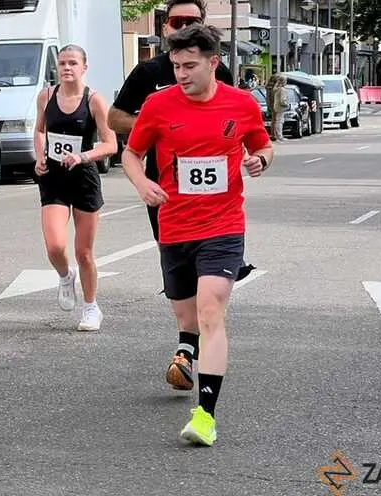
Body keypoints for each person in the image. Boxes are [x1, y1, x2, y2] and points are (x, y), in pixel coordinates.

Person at [121, 23, 273, 447]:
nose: (181, 74)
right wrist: (141, 183)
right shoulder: (158, 105)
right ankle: (186, 348)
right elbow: (130, 153)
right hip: (174, 225)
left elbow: (263, 145)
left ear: (214, 63)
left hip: (223, 225)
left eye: (190, 66)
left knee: (210, 312)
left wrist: (260, 160)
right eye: (175, 66)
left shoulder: (241, 104)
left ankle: (206, 414)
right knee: (187, 317)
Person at [108, 0, 239, 393]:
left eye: (192, 21)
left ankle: (188, 348)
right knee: (181, 275)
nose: (183, 29)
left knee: (208, 286)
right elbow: (115, 118)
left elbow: (237, 120)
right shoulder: (149, 72)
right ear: (165, 26)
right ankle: (189, 337)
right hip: (166, 191)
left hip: (218, 201)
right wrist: (155, 123)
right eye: (177, 22)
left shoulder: (222, 72)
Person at [33, 45, 118, 331]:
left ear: (84, 67)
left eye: (72, 63)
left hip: (83, 178)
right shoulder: (46, 96)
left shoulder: (94, 101)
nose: (67, 68)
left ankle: (91, 307)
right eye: (62, 64)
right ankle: (64, 276)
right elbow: (40, 129)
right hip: (54, 176)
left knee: (84, 252)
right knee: (55, 245)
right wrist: (40, 156)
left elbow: (111, 145)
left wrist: (82, 156)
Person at [267, 74, 289, 141]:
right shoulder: (282, 89)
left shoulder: (275, 89)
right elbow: (283, 100)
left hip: (275, 106)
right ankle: (279, 136)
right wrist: (287, 105)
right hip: (280, 107)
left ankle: (276, 135)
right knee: (279, 121)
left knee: (276, 121)